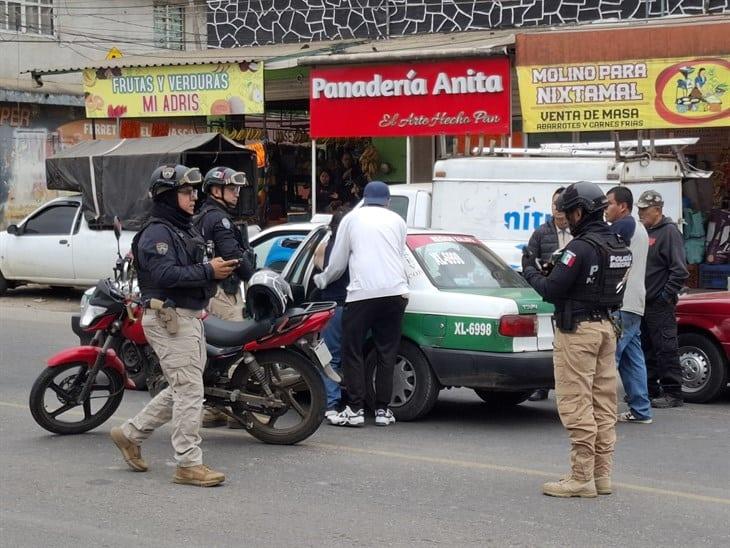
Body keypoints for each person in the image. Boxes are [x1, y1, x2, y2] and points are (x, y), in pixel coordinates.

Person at [109, 164, 237, 487]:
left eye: (193, 191)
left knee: (183, 387)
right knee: (190, 389)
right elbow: (166, 275)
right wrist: (209, 271)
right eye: (185, 192)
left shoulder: (183, 227)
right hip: (169, 318)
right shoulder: (156, 233)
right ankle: (188, 463)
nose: (193, 197)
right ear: (167, 196)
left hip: (190, 317)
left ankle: (130, 433)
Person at [522, 181, 631, 498]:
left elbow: (551, 289)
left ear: (581, 211)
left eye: (570, 212)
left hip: (578, 332)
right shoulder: (617, 244)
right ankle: (601, 475)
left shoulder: (579, 247)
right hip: (606, 328)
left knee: (576, 402)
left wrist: (529, 269)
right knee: (603, 403)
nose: (568, 218)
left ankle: (581, 477)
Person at [314, 181, 408, 427]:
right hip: (396, 293)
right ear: (387, 201)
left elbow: (337, 264)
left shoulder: (352, 219)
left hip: (362, 294)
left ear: (364, 199)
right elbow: (398, 255)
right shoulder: (398, 221)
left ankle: (354, 409)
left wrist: (322, 280)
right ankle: (383, 411)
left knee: (352, 350)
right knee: (386, 353)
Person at [194, 166, 256, 428]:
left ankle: (217, 409)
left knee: (216, 353)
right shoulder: (219, 220)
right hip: (222, 293)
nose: (236, 193)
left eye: (237, 189)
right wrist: (248, 264)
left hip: (209, 292)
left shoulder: (203, 216)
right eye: (231, 189)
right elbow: (236, 259)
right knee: (234, 351)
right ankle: (238, 410)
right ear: (215, 190)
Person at [637, 189, 689, 409]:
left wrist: (665, 295)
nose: (640, 214)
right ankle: (650, 390)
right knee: (646, 349)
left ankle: (673, 392)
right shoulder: (644, 232)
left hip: (659, 303)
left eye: (644, 210)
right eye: (638, 209)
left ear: (657, 210)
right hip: (643, 302)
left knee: (665, 348)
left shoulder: (669, 232)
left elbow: (680, 270)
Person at [605, 187, 653, 424]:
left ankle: (602, 412)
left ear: (622, 206)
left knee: (608, 357)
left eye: (609, 203)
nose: (606, 208)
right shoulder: (640, 227)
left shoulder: (623, 226)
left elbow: (603, 252)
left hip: (622, 302)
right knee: (633, 358)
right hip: (635, 302)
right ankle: (640, 409)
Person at [525, 187, 571, 401]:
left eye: (561, 205)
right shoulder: (541, 233)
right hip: (548, 294)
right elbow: (530, 262)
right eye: (554, 205)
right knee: (546, 343)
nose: (558, 210)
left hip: (571, 296)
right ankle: (541, 386)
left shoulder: (578, 232)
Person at [313, 206, 350, 418]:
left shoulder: (330, 246)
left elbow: (321, 269)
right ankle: (354, 403)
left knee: (330, 358)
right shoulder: (358, 246)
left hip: (334, 308)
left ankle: (331, 403)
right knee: (352, 357)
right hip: (355, 307)